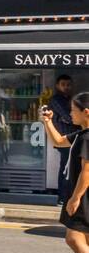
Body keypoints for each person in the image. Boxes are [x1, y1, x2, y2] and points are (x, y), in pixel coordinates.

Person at [41, 93, 89, 253]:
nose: (70, 113)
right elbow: (59, 141)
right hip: (80, 194)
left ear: (86, 112)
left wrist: (75, 198)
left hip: (84, 195)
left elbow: (87, 171)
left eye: (73, 109)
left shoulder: (87, 137)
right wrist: (47, 121)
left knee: (73, 238)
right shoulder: (82, 133)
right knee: (85, 240)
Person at [49, 75, 78, 203]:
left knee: (70, 167)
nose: (66, 87)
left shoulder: (70, 99)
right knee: (66, 168)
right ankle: (62, 198)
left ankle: (67, 196)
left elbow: (69, 118)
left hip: (72, 138)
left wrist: (68, 120)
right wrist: (70, 119)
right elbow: (69, 117)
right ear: (57, 86)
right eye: (63, 84)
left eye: (68, 84)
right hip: (63, 139)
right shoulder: (56, 100)